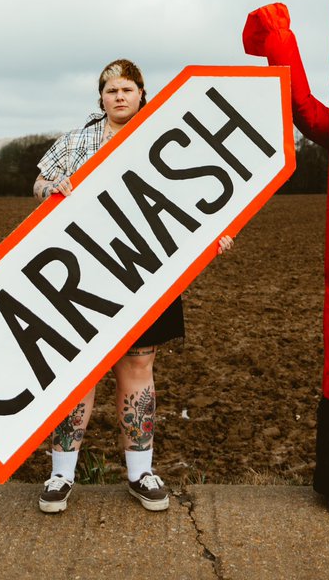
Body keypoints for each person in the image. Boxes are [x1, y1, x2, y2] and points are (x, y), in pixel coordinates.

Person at [33, 58, 232, 514]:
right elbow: (40, 181)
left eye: (126, 89)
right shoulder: (79, 139)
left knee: (138, 369)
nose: (119, 97)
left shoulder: (168, 136)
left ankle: (141, 472)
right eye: (110, 90)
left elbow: (199, 200)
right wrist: (49, 189)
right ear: (100, 98)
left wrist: (217, 234)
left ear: (142, 93)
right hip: (84, 269)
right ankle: (61, 475)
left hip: (149, 271)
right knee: (78, 372)